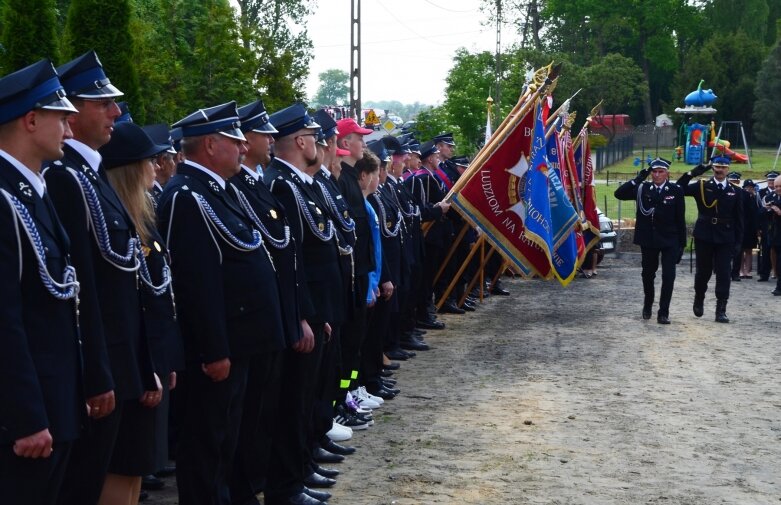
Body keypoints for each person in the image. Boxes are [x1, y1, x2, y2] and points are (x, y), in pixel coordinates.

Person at [157, 101, 286, 505]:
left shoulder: (219, 191)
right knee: (206, 449)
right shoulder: (187, 196)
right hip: (218, 350)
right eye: (234, 141)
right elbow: (196, 283)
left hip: (240, 342)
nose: (244, 148)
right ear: (211, 145)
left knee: (226, 443)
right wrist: (213, 349)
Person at [44, 51, 158, 505]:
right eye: (101, 103)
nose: (116, 112)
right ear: (71, 110)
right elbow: (83, 288)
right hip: (101, 360)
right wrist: (99, 371)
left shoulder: (91, 177)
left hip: (120, 356)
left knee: (123, 467)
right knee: (87, 483)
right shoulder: (67, 178)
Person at [0, 58, 82, 505]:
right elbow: (5, 320)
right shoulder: (5, 198)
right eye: (60, 117)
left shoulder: (33, 192)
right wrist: (26, 417)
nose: (69, 129)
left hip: (56, 403)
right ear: (31, 120)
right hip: (28, 420)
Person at [98, 121, 183, 505]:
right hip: (131, 366)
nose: (159, 167)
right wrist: (147, 366)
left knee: (136, 466)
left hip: (150, 362)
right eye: (151, 161)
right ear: (133, 168)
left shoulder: (141, 222)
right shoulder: (118, 222)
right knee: (123, 467)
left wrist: (162, 361)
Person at [264, 103, 344, 505]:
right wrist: (305, 313)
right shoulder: (282, 184)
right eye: (314, 137)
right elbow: (291, 257)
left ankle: (303, 464)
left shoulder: (304, 184)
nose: (320, 144)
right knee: (294, 400)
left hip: (320, 302)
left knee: (311, 390)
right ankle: (287, 483)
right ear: (299, 141)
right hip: (306, 304)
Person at [614, 158, 686, 324]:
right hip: (649, 239)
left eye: (661, 172)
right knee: (648, 274)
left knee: (669, 276)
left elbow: (680, 218)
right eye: (654, 171)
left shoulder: (675, 190)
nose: (657, 175)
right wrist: (639, 178)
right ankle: (648, 303)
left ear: (667, 173)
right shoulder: (642, 188)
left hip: (670, 239)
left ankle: (663, 312)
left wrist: (681, 244)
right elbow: (619, 194)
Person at [677, 155, 743, 323]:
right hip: (705, 235)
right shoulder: (702, 186)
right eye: (717, 167)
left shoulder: (735, 191)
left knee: (724, 273)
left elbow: (740, 219)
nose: (719, 170)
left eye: (723, 167)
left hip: (726, 237)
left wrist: (738, 243)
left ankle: (721, 309)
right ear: (712, 168)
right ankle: (699, 297)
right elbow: (678, 189)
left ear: (728, 169)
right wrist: (692, 173)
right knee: (703, 272)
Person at [757, 171, 778, 281]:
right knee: (766, 250)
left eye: (773, 180)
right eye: (770, 180)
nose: (771, 182)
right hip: (766, 225)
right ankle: (764, 274)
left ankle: (777, 273)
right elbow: (758, 211)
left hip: (778, 225)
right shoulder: (761, 193)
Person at [739, 179, 759, 278]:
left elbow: (757, 211)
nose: (750, 189)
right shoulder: (742, 197)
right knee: (741, 249)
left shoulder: (755, 198)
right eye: (748, 188)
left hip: (751, 227)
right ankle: (741, 270)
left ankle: (747, 271)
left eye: (752, 187)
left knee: (749, 250)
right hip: (742, 226)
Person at [768, 176, 781, 295]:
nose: (777, 189)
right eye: (776, 186)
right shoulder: (773, 198)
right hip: (777, 236)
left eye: (780, 186)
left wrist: (778, 211)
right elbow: (761, 213)